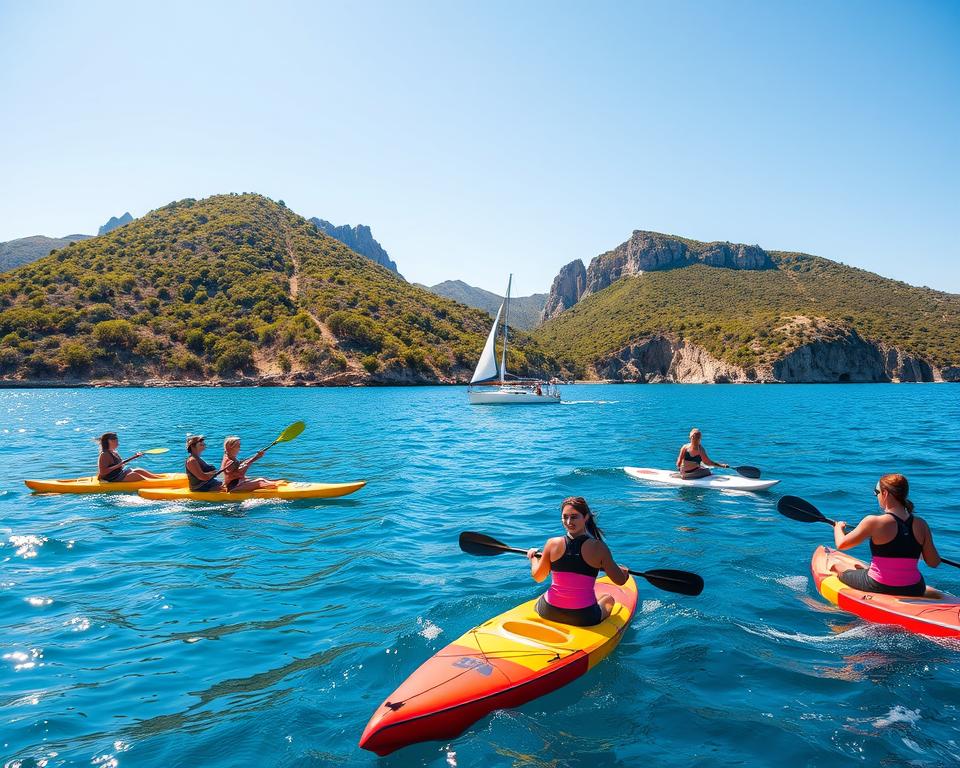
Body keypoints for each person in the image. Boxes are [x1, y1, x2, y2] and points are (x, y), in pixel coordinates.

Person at [830, 474, 941, 597]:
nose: (876, 496)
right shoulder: (921, 524)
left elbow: (841, 544)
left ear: (885, 493)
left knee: (838, 569)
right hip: (915, 588)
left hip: (879, 585)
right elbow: (934, 562)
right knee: (862, 569)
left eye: (876, 492)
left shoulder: (873, 522)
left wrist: (838, 528)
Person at [526, 496, 630, 626]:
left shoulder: (552, 544)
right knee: (609, 599)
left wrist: (533, 558)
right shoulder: (599, 547)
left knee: (544, 596)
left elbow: (538, 577)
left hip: (549, 611)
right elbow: (620, 581)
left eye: (574, 517)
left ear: (586, 517)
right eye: (565, 517)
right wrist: (625, 573)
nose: (569, 521)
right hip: (583, 616)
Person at [97, 432, 162, 483]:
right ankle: (157, 483)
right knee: (135, 475)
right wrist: (118, 465)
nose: (118, 444)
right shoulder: (104, 454)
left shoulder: (114, 452)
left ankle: (160, 479)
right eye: (116, 441)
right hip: (112, 478)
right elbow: (103, 472)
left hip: (119, 473)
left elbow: (121, 464)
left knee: (138, 470)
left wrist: (135, 456)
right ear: (109, 441)